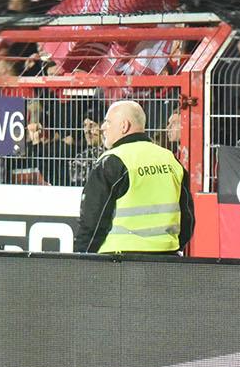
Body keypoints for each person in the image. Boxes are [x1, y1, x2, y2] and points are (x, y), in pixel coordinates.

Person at [75, 100, 193, 254]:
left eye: (108, 122)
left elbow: (93, 222)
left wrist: (80, 260)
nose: (103, 127)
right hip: (167, 260)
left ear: (124, 126)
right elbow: (187, 218)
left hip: (120, 263)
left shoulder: (112, 161)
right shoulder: (169, 159)